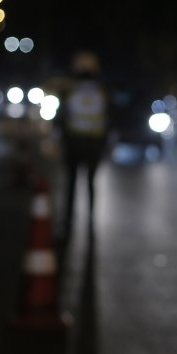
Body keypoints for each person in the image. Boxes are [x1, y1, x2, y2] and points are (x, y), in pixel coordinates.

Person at [56, 51, 112, 238]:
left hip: (77, 143)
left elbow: (62, 118)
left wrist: (60, 140)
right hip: (90, 144)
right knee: (87, 184)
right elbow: (108, 118)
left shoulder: (70, 89)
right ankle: (87, 223)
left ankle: (71, 223)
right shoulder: (101, 89)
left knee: (74, 184)